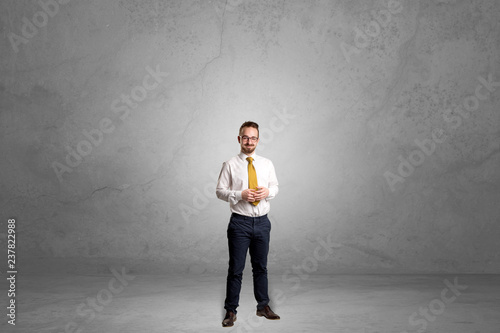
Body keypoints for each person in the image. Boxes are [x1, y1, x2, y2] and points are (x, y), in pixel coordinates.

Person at [216, 121, 280, 327]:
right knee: (235, 269)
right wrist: (239, 194)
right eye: (245, 137)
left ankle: (263, 306)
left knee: (261, 267)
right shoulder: (230, 164)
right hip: (240, 224)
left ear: (258, 140)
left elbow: (275, 187)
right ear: (239, 139)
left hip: (262, 223)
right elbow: (220, 191)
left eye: (253, 138)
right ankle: (230, 311)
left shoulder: (266, 163)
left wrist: (268, 192)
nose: (249, 141)